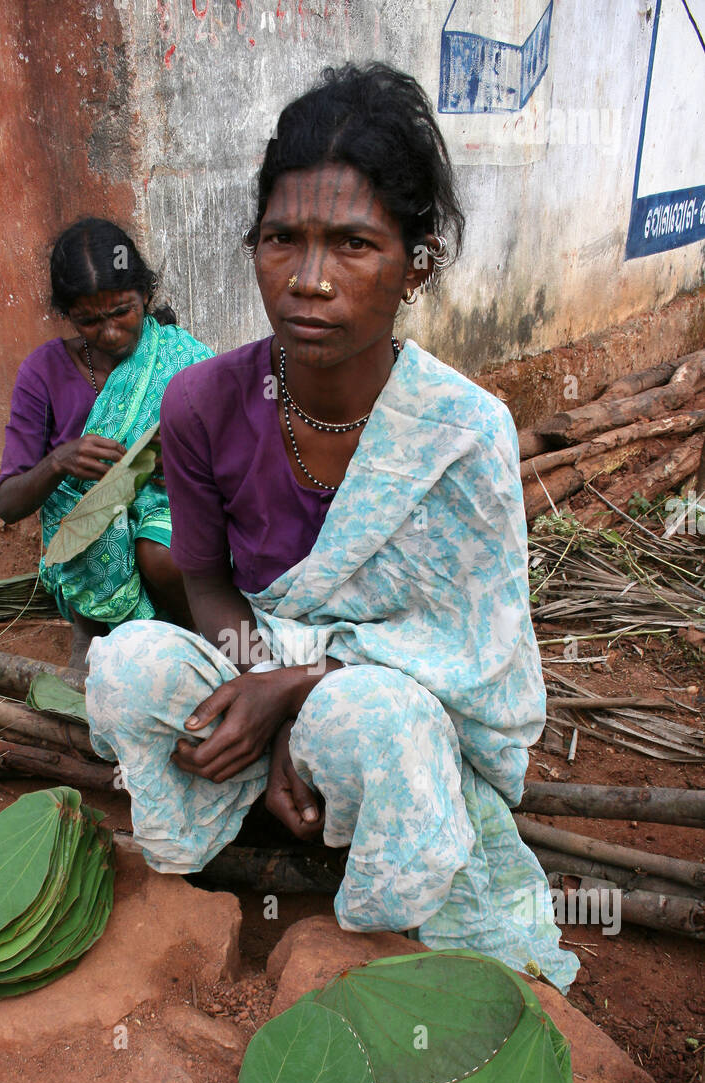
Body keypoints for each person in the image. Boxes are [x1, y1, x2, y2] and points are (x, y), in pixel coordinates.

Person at [85, 64, 578, 992]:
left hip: (396, 700)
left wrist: (303, 688)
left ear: (416, 264)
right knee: (126, 666)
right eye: (283, 239)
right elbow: (206, 588)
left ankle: (370, 938)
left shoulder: (463, 432)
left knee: (376, 721)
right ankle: (241, 815)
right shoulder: (201, 403)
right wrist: (265, 695)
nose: (309, 280)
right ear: (256, 246)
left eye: (353, 243)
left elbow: (478, 656)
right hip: (258, 660)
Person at [0, 218, 214, 667]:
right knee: (101, 525)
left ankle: (200, 637)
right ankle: (91, 628)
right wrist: (58, 462)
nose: (110, 333)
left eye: (121, 312)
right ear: (67, 315)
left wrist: (187, 462)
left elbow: (236, 449)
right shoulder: (44, 373)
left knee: (160, 552)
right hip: (84, 563)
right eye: (89, 321)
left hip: (174, 525)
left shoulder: (179, 357)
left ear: (145, 294)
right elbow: (7, 504)